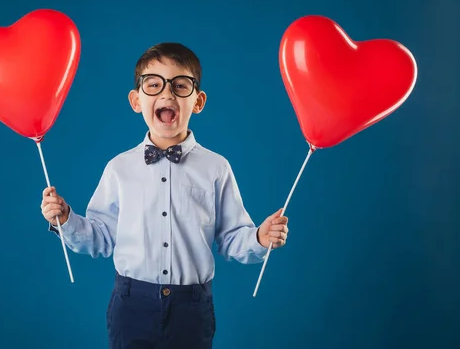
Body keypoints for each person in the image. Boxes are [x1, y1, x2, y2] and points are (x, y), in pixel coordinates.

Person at [40, 42, 289, 349]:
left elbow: (232, 238)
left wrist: (260, 238)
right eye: (153, 84)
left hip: (192, 308)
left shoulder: (216, 167)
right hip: (131, 304)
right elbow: (101, 237)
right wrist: (65, 219)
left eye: (180, 85)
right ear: (136, 100)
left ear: (198, 101)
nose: (167, 94)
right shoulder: (119, 167)